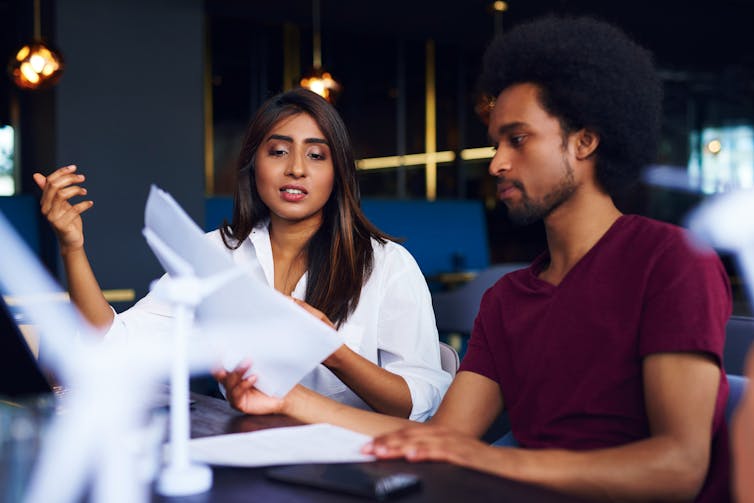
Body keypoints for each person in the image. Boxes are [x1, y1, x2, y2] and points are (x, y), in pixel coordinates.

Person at [215, 16, 732, 502]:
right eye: (495, 142)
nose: (497, 162)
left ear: (585, 141)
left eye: (518, 139)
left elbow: (678, 469)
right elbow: (438, 438)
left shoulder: (671, 262)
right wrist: (289, 401)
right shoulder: (508, 299)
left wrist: (491, 461)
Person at [33, 88, 451, 420]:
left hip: (354, 462)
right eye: (279, 151)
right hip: (250, 449)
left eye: (316, 155)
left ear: (338, 171)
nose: (297, 169)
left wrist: (334, 352)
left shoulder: (387, 265)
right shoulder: (214, 253)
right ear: (255, 164)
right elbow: (113, 344)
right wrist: (73, 247)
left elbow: (415, 405)